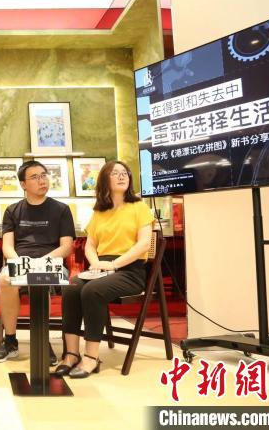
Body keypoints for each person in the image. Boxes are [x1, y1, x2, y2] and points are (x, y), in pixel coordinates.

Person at [56, 160, 153, 379]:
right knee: (71, 287)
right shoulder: (100, 211)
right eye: (115, 173)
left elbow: (144, 244)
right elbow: (90, 245)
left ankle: (91, 357)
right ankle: (71, 354)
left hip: (129, 271)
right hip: (101, 268)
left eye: (125, 173)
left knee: (93, 290)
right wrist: (96, 263)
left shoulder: (139, 207)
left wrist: (114, 264)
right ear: (104, 180)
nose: (122, 176)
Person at [0, 160, 75, 364]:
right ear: (23, 184)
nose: (42, 180)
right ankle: (10, 341)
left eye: (44, 175)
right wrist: (20, 263)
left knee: (41, 279)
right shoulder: (12, 210)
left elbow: (66, 247)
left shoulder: (62, 209)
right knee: (6, 279)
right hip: (20, 261)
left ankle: (42, 340)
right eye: (35, 177)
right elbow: (7, 246)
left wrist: (41, 262)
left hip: (51, 262)